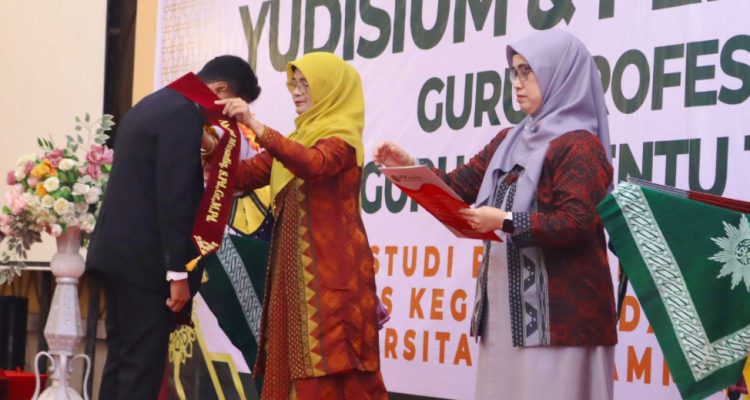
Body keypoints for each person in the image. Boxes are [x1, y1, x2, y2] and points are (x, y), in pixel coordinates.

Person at [374, 30, 618, 400]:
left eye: (527, 72)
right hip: (505, 315)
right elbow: (457, 189)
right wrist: (408, 165)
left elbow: (578, 223)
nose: (516, 83)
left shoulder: (580, 145)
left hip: (560, 323)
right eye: (514, 72)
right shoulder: (509, 140)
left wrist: (505, 221)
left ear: (559, 75)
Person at [86, 55, 261, 400]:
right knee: (141, 369)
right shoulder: (183, 114)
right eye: (230, 106)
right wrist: (177, 272)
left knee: (121, 362)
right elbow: (175, 197)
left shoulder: (153, 104)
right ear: (220, 90)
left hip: (117, 256)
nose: (227, 119)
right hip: (146, 265)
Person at [216, 51, 387, 399]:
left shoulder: (343, 139)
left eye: (306, 84)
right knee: (291, 366)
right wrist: (206, 140)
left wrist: (256, 126)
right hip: (293, 280)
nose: (296, 92)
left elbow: (313, 164)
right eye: (294, 84)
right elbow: (244, 176)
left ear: (330, 88)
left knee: (330, 366)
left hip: (333, 277)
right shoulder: (298, 139)